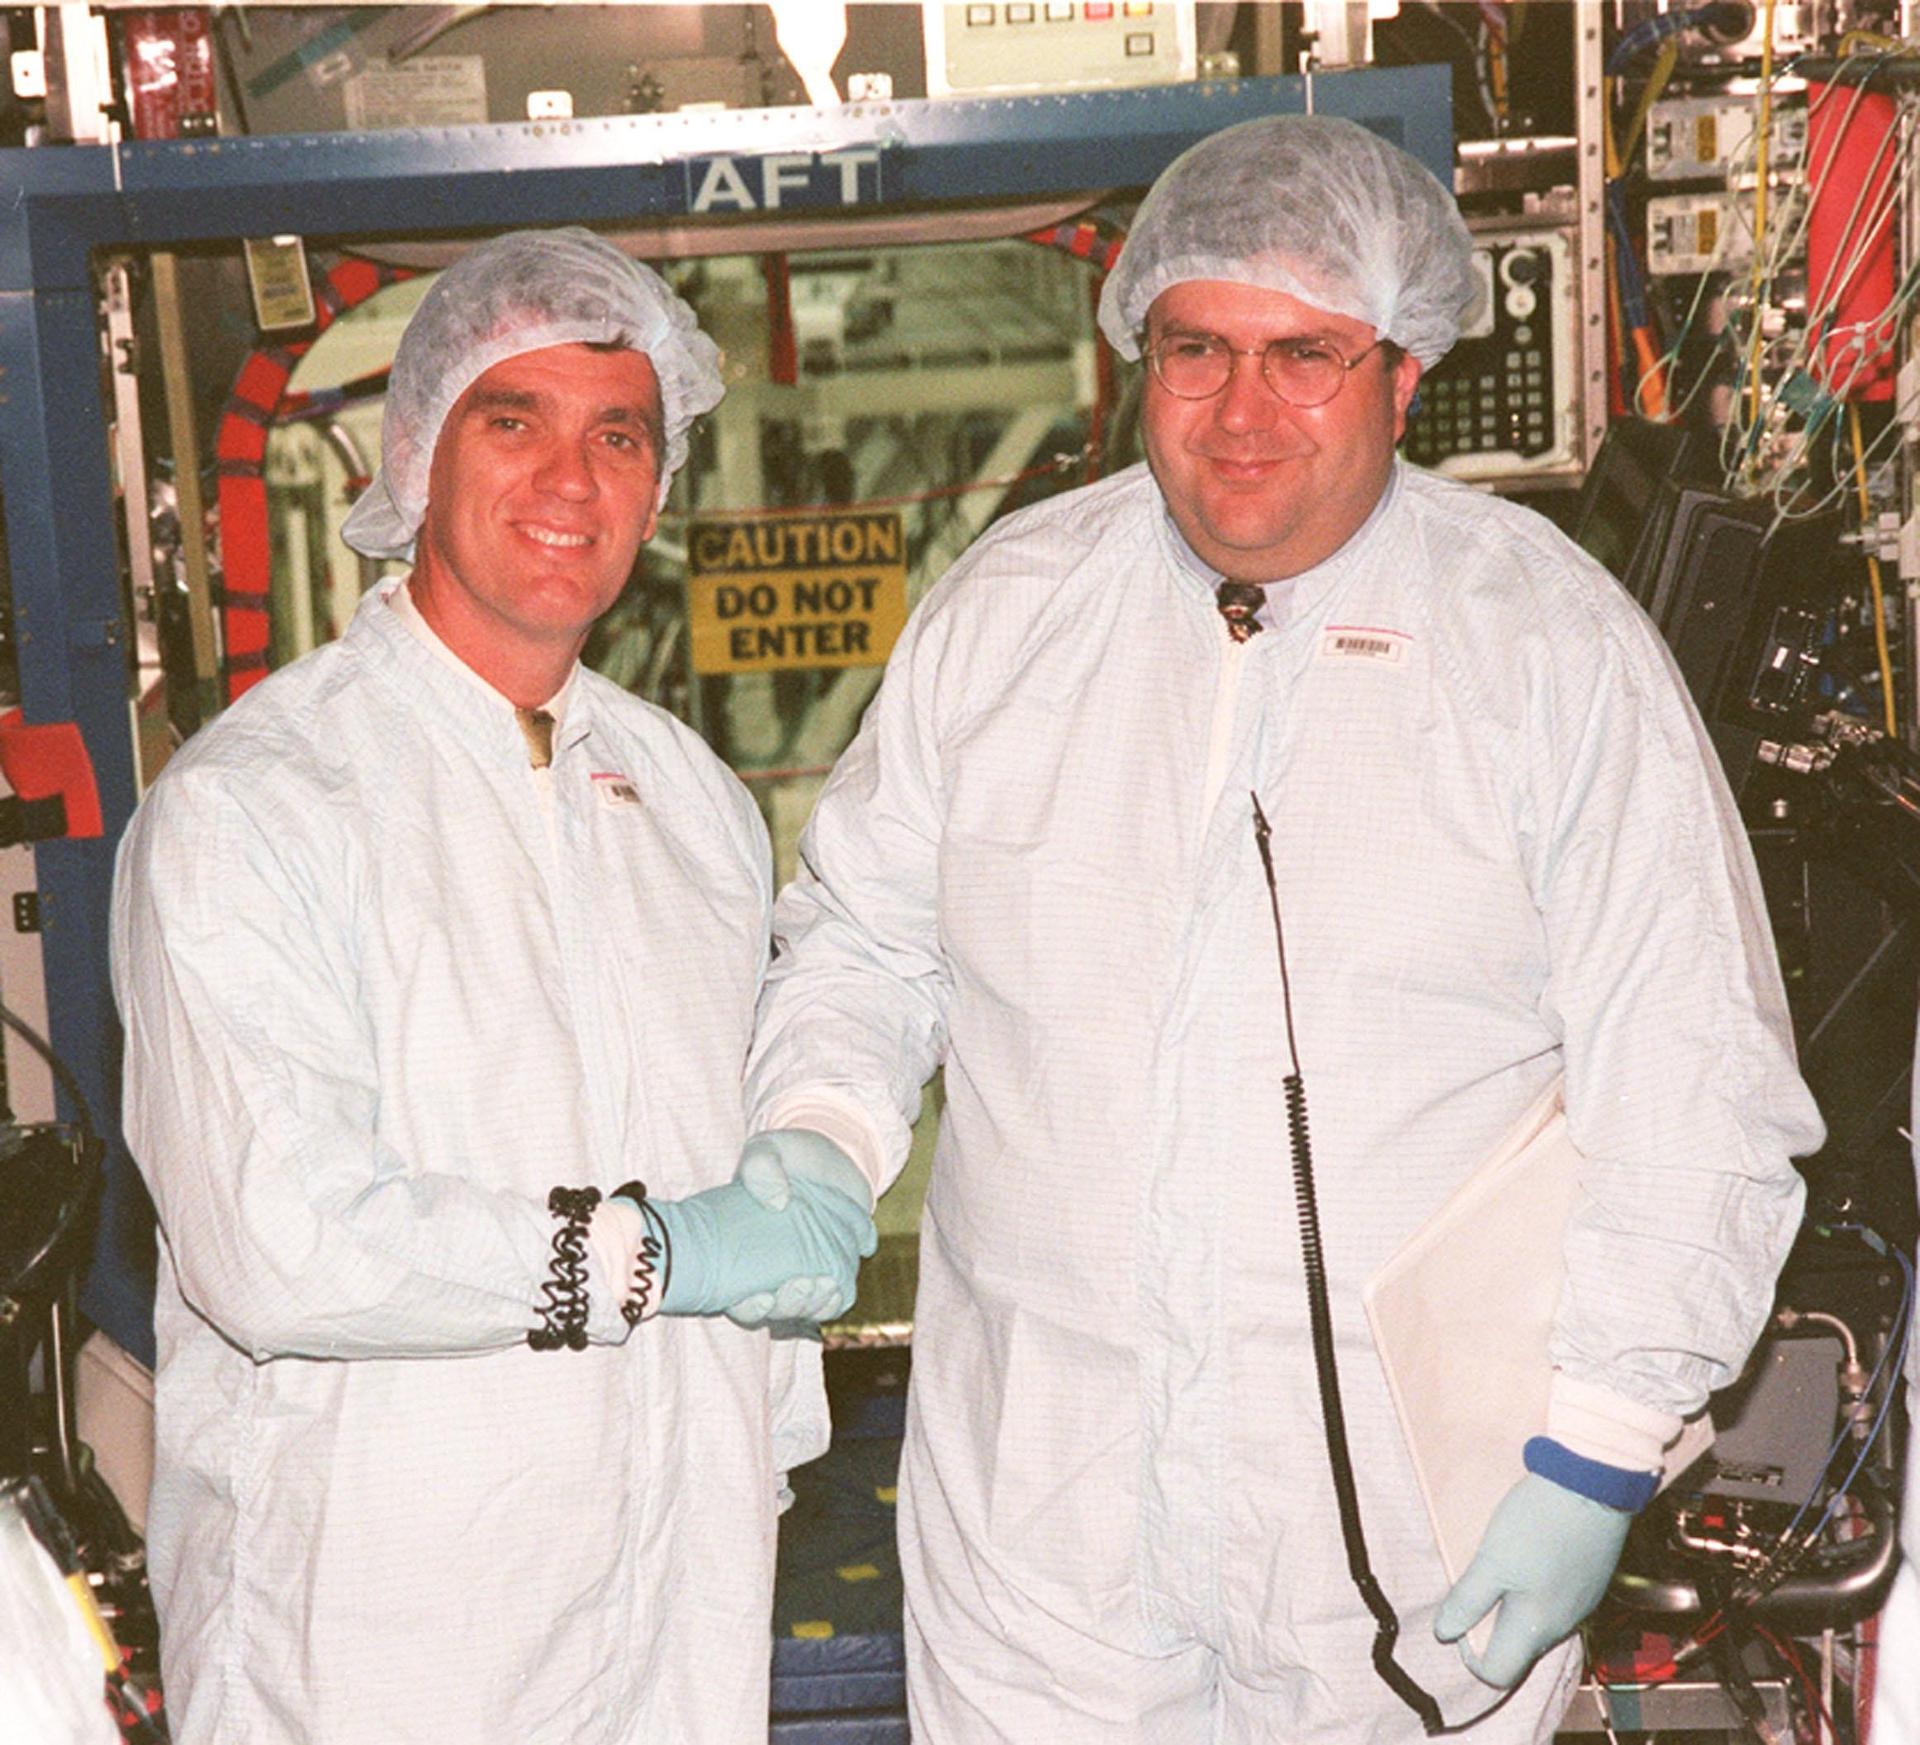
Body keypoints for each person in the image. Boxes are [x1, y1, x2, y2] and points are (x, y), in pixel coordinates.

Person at [741, 115, 1825, 1742]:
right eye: (1198, 350)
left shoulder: (1544, 646)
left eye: (1304, 355)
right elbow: (866, 939)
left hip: (1413, 1535)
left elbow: (1693, 1080)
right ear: (1139, 355)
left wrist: (1602, 1445)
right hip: (1047, 1518)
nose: (1241, 412)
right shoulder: (1010, 615)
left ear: (1405, 372)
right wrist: (822, 1130)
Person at [110, 227, 875, 1745]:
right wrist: (653, 1256)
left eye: (620, 435)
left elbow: (738, 1190)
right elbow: (281, 1244)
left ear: (660, 482)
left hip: (672, 1608)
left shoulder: (689, 799)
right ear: (415, 456)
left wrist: (770, 1407)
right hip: (377, 1636)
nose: (571, 480)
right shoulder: (259, 806)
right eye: (513, 420)